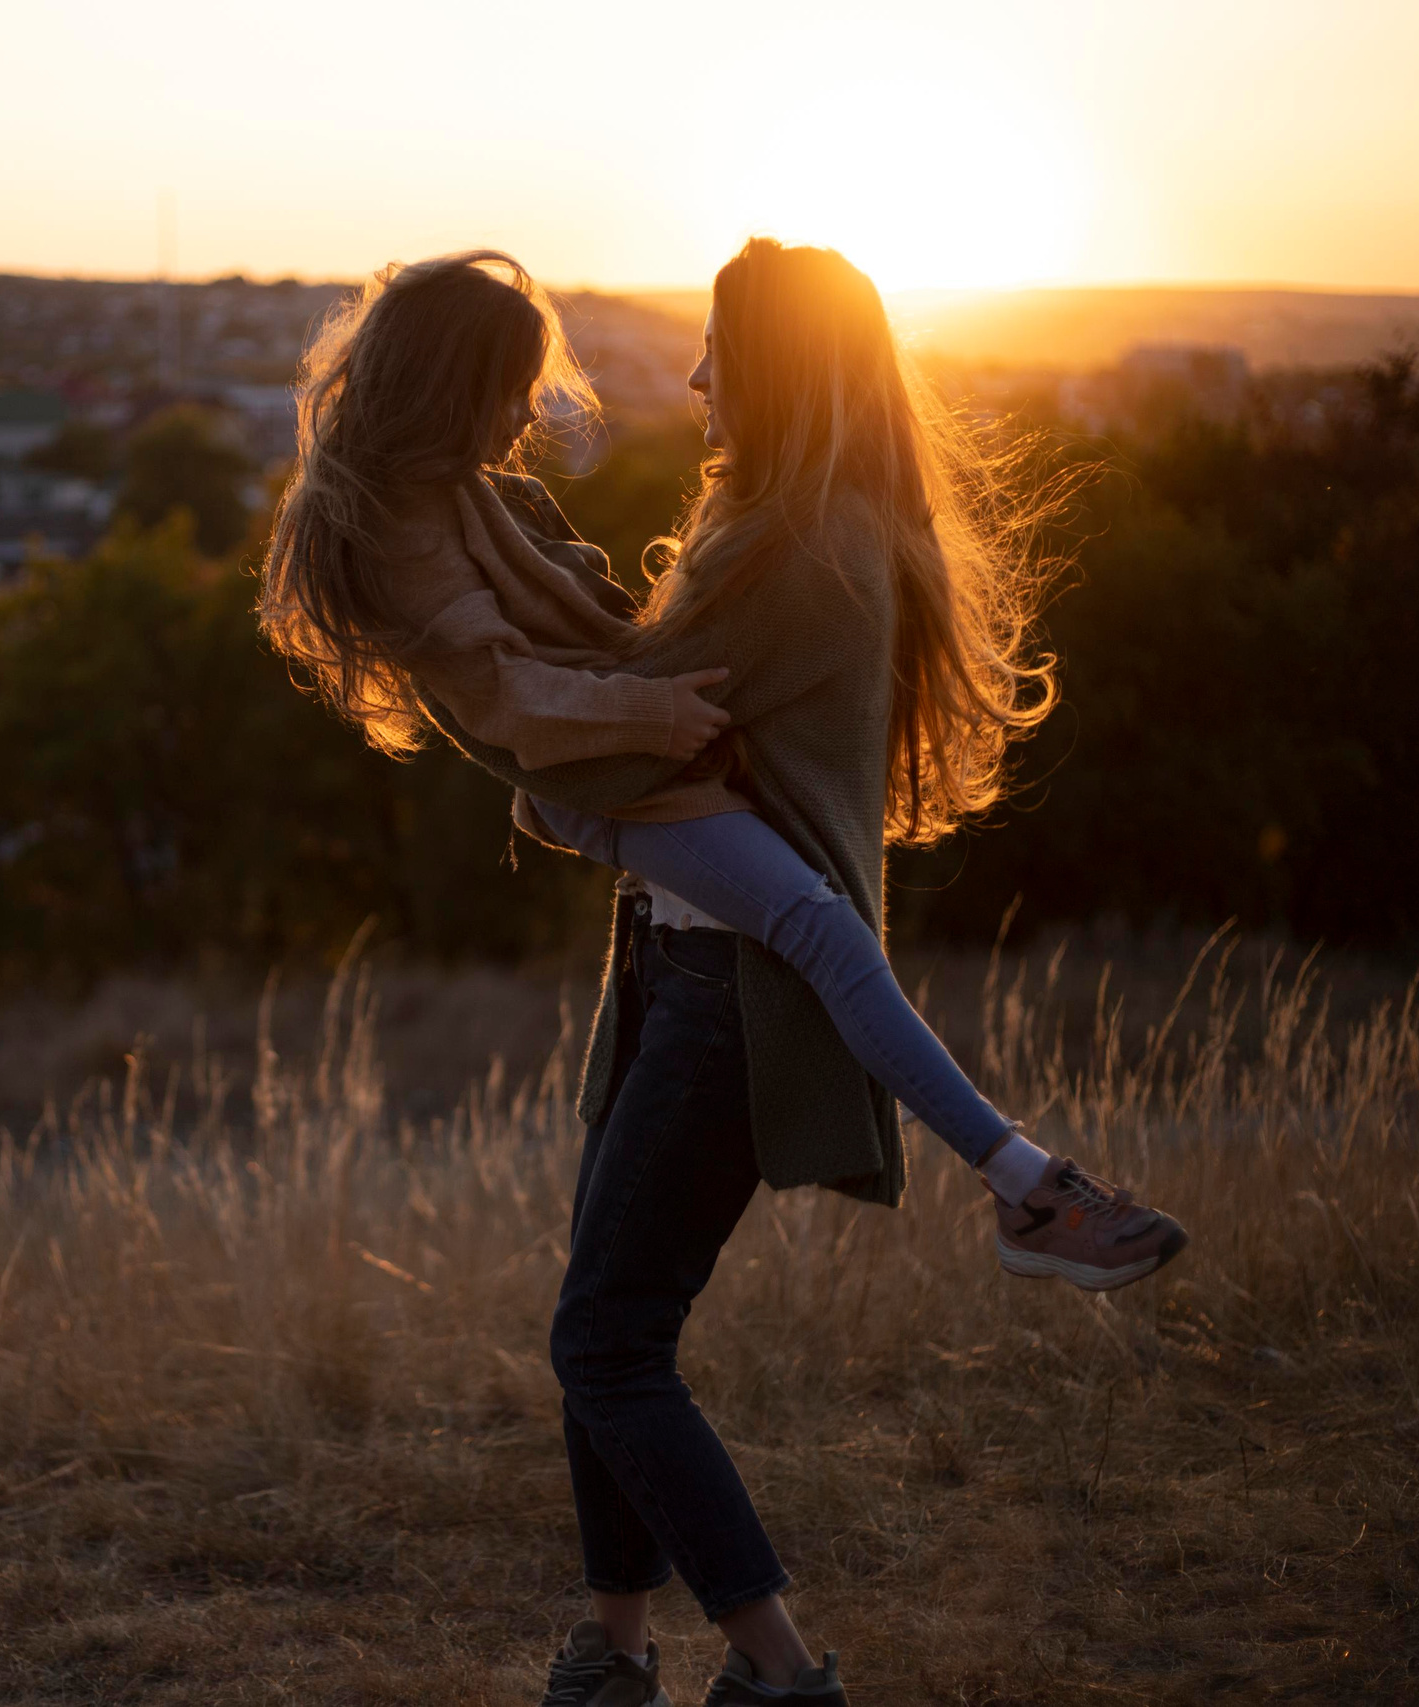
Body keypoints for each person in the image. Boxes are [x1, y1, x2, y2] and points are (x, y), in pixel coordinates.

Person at [260, 244, 1188, 1705]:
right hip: (668, 963)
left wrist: (559, 784)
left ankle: (779, 1670)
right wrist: (570, 766)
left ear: (771, 373)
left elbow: (618, 714)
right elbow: (597, 694)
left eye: (714, 354)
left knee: (607, 1336)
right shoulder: (782, 523)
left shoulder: (785, 549)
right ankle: (618, 1654)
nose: (688, 379)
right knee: (604, 1323)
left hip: (720, 994)